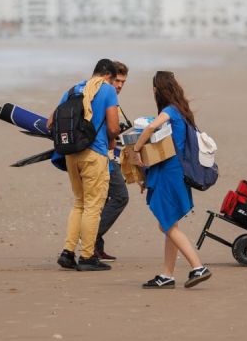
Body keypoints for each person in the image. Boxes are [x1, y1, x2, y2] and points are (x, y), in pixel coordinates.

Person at [128, 70, 211, 289]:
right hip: (176, 171)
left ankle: (198, 266)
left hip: (169, 172)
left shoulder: (170, 111)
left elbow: (151, 127)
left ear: (157, 90)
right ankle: (167, 275)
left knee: (166, 225)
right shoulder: (181, 111)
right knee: (169, 222)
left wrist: (136, 149)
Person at [49, 59, 120, 271]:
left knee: (79, 202)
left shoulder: (73, 89)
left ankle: (68, 252)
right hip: (94, 153)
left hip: (71, 153)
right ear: (108, 76)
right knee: (93, 206)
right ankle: (88, 256)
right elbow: (114, 128)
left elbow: (50, 121)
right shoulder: (107, 90)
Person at [94, 60, 131, 261]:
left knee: (103, 200)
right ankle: (91, 239)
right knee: (120, 197)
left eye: (123, 82)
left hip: (96, 154)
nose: (119, 86)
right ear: (108, 77)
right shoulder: (107, 95)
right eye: (117, 80)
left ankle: (96, 246)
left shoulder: (95, 93)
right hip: (102, 156)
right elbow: (112, 130)